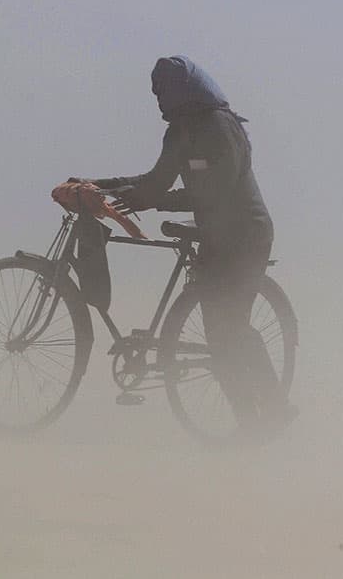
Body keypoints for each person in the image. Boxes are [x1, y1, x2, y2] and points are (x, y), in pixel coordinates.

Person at [70, 55, 297, 432]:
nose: (158, 99)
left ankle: (274, 406)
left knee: (231, 329)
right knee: (218, 336)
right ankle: (248, 425)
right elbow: (155, 180)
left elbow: (214, 194)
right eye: (155, 91)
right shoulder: (178, 131)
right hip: (215, 237)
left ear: (183, 90)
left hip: (246, 235)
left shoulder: (222, 129)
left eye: (164, 91)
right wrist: (102, 185)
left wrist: (149, 199)